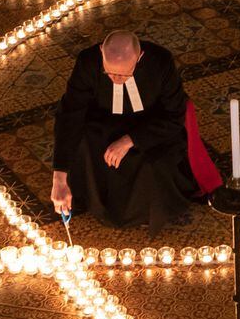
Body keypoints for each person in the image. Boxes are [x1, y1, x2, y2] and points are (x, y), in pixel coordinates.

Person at [50, 30, 212, 233]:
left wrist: (130, 140)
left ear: (140, 58)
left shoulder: (160, 62)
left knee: (151, 163)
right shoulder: (87, 62)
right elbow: (70, 115)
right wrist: (59, 176)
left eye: (125, 74)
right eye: (109, 73)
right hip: (102, 124)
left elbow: (174, 114)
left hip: (151, 126)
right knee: (85, 146)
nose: (116, 79)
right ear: (101, 53)